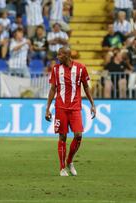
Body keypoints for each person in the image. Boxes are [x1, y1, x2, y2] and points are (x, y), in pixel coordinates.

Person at [45, 47, 96, 176]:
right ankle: (62, 168)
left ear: (67, 55)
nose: (57, 57)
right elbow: (52, 89)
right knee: (62, 136)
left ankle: (69, 161)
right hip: (61, 107)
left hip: (75, 108)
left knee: (78, 135)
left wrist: (92, 104)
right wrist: (48, 108)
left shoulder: (80, 68)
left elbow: (85, 86)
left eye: (60, 54)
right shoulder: (56, 69)